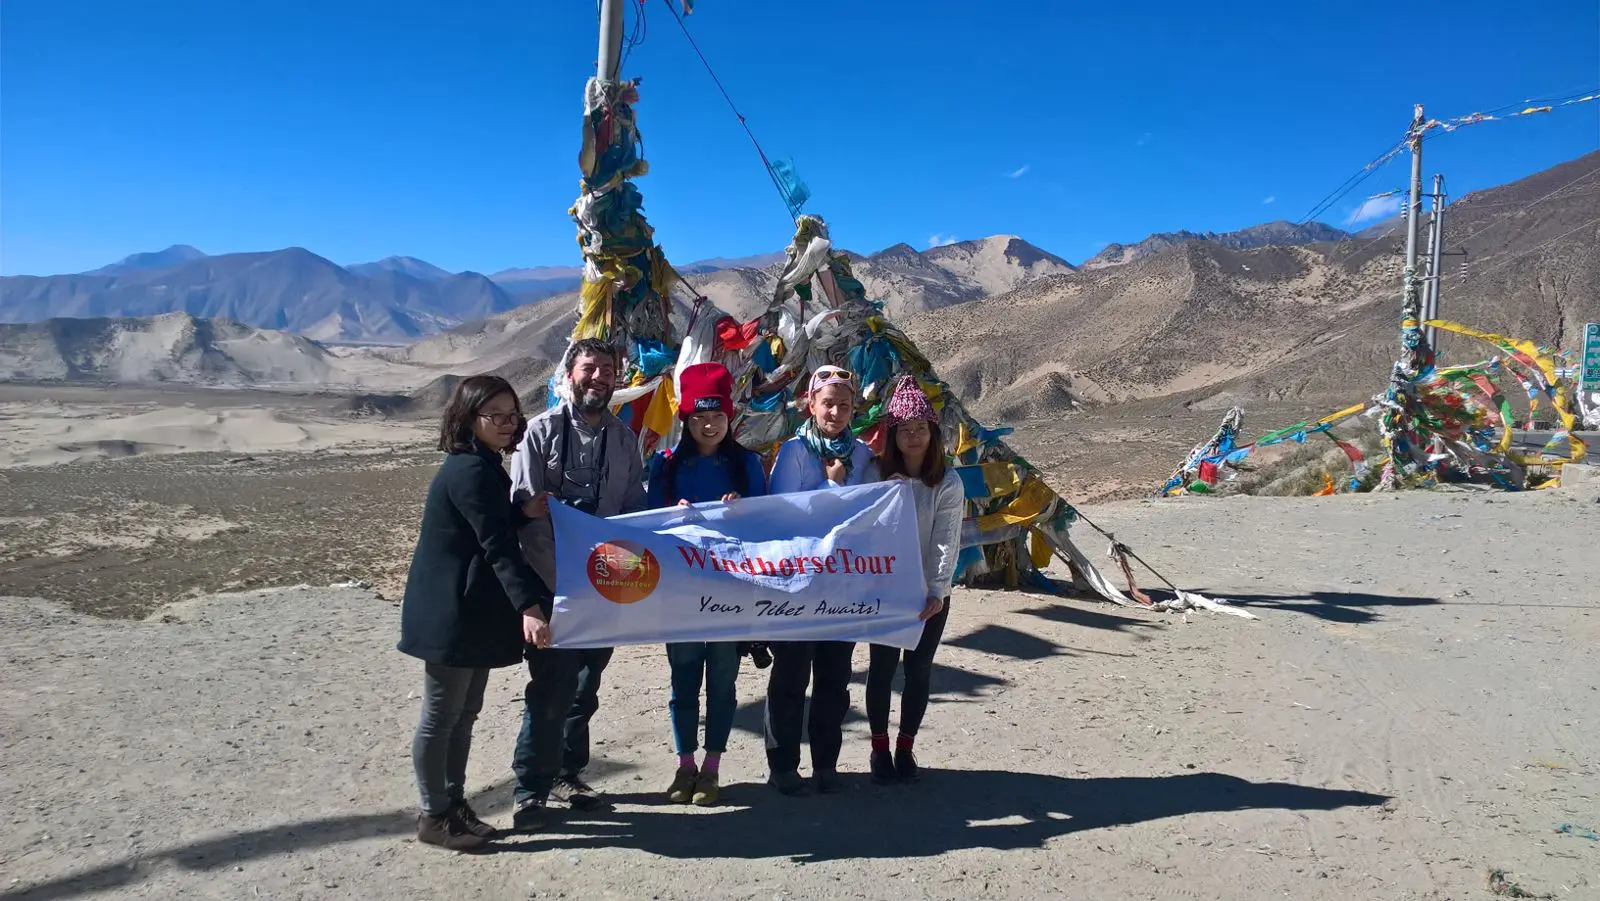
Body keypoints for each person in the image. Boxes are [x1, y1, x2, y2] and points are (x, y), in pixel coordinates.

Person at [398, 375, 554, 852]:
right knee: (441, 716)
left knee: (464, 713)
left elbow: (490, 523)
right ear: (469, 418)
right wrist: (530, 607)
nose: (506, 424)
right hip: (451, 611)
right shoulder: (469, 470)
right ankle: (434, 814)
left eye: (512, 414)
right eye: (495, 415)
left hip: (471, 609)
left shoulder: (483, 465)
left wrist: (523, 513)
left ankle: (453, 804)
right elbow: (497, 547)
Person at [508, 338, 646, 829]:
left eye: (608, 370)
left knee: (586, 686)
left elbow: (633, 511)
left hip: (602, 586)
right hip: (551, 584)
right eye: (590, 368)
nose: (599, 378)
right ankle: (531, 788)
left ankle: (568, 774)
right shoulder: (541, 432)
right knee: (552, 687)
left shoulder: (624, 440)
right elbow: (522, 507)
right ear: (570, 374)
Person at [645, 362, 769, 807]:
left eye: (717, 416)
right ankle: (685, 766)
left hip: (730, 593)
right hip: (680, 592)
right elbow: (648, 525)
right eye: (699, 416)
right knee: (683, 679)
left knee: (721, 679)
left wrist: (743, 511)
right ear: (686, 418)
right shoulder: (665, 466)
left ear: (729, 417)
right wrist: (670, 516)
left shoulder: (747, 465)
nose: (710, 425)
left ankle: (712, 768)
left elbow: (768, 526)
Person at [763, 364, 879, 796]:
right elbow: (782, 515)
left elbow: (868, 514)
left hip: (843, 587)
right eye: (828, 403)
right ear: (810, 404)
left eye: (844, 405)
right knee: (790, 677)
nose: (835, 412)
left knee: (834, 678)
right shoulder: (793, 453)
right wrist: (832, 489)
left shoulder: (862, 455)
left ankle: (826, 765)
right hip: (798, 586)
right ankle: (783, 765)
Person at [864, 375, 964, 785]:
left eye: (920, 428)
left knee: (918, 670)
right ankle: (879, 748)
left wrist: (936, 590)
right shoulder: (877, 476)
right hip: (887, 591)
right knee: (881, 670)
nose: (913, 436)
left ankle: (905, 747)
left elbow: (945, 539)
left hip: (928, 592)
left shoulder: (947, 483)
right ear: (893, 435)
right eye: (904, 429)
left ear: (932, 431)